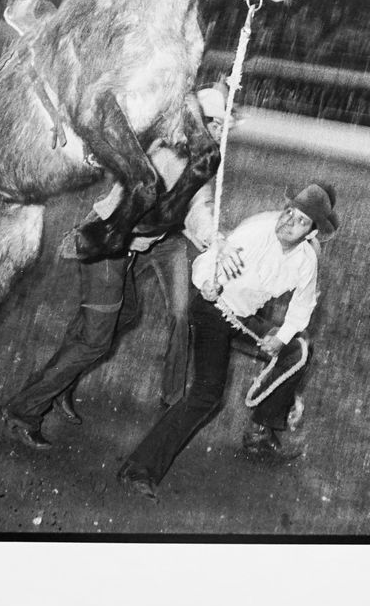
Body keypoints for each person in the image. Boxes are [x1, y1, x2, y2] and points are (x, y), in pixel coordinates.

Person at [0, 86, 230, 449]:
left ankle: (60, 380)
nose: (218, 134)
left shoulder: (194, 163)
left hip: (123, 249)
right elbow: (160, 204)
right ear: (197, 123)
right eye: (215, 125)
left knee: (125, 313)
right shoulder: (164, 154)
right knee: (95, 341)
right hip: (108, 243)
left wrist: (212, 236)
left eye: (220, 128)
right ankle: (23, 410)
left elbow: (197, 209)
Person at [115, 182, 339, 500]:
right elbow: (208, 260)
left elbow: (302, 305)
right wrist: (207, 281)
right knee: (206, 396)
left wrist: (282, 337)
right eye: (289, 211)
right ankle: (139, 468)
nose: (289, 221)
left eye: (301, 220)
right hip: (213, 310)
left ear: (311, 233)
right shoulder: (256, 230)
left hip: (243, 317)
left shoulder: (306, 260)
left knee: (298, 350)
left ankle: (260, 434)